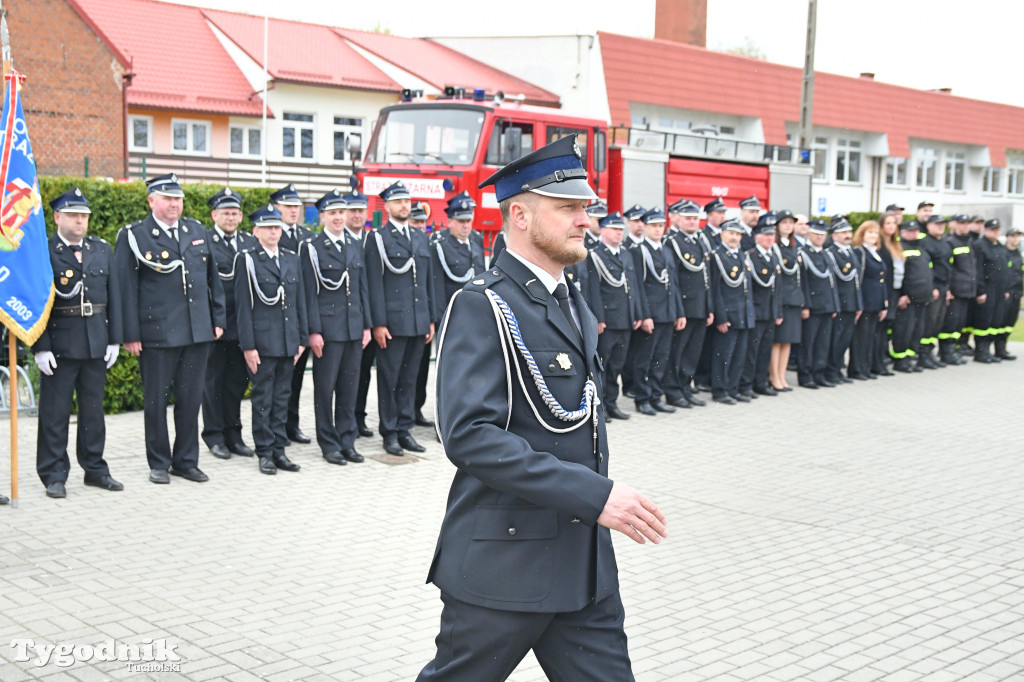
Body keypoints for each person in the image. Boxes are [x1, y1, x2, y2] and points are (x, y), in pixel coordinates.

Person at [418, 134, 667, 682]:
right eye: (569, 209)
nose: (586, 219)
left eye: (586, 207)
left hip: (582, 567)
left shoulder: (569, 298)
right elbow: (468, 435)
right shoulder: (482, 304)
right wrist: (595, 495)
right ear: (521, 216)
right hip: (505, 564)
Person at [115, 173, 226, 484]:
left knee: (190, 400)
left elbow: (211, 280)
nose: (174, 203)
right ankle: (159, 463)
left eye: (178, 198)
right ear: (152, 200)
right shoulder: (135, 236)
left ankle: (186, 461)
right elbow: (125, 289)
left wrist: (217, 320)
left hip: (196, 332)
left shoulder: (196, 230)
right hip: (158, 334)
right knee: (156, 401)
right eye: (167, 198)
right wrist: (130, 333)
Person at [33, 188, 123, 499]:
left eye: (83, 216)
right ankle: (54, 474)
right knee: (55, 414)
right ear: (57, 217)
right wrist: (40, 346)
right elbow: (38, 302)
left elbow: (115, 298)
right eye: (73, 215)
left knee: (93, 413)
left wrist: (115, 340)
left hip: (96, 342)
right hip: (59, 345)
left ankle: (95, 469)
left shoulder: (101, 249)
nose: (79, 221)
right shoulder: (44, 251)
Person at [365, 181, 436, 456]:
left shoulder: (420, 237)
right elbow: (374, 283)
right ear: (388, 206)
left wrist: (430, 318)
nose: (404, 205)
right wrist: (379, 323)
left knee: (410, 378)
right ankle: (389, 432)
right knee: (390, 378)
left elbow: (427, 281)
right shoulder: (378, 238)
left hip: (418, 322)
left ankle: (405, 429)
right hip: (393, 324)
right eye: (398, 201)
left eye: (406, 201)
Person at [236, 205, 308, 475]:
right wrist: (249, 346)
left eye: (276, 227)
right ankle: (264, 452)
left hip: (288, 342)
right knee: (263, 399)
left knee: (282, 399)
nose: (273, 232)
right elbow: (244, 307)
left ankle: (280, 451)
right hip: (263, 344)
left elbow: (298, 301)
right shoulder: (248, 260)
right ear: (256, 231)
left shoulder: (290, 258)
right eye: (267, 228)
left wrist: (301, 339)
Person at [302, 190, 372, 466]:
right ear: (323, 217)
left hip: (354, 328)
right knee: (325, 389)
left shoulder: (355, 245)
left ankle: (347, 440)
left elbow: (362, 288)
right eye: (333, 213)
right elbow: (309, 294)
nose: (339, 217)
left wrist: (366, 325)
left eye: (341, 212)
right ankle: (328, 443)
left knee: (349, 388)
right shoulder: (313, 248)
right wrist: (314, 331)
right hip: (328, 331)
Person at [201, 187, 257, 461]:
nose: (231, 217)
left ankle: (234, 435)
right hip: (217, 327)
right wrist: (214, 321)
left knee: (236, 383)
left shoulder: (248, 242)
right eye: (226, 213)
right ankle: (214, 436)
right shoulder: (205, 241)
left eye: (235, 213)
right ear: (214, 215)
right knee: (213, 383)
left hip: (242, 327)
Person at [586, 211, 648, 420]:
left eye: (621, 230)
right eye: (614, 229)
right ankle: (599, 407)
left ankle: (611, 404)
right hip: (609, 320)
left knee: (616, 366)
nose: (619, 234)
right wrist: (598, 318)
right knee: (603, 365)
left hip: (626, 319)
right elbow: (593, 289)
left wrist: (637, 313)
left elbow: (634, 288)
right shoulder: (595, 255)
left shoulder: (626, 254)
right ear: (602, 230)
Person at [272, 184, 315, 445]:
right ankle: (275, 430)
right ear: (276, 208)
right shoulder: (270, 235)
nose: (293, 210)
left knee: (296, 380)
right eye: (287, 206)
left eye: (296, 206)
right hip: (279, 321)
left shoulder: (307, 236)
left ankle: (292, 425)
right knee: (277, 383)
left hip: (302, 318)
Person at [629, 208, 684, 415]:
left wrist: (679, 312)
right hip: (651, 315)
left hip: (668, 314)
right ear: (645, 227)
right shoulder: (639, 251)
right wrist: (644, 315)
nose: (658, 230)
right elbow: (638, 287)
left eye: (661, 226)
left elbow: (674, 285)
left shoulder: (666, 251)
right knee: (645, 360)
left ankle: (655, 396)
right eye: (653, 226)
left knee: (661, 359)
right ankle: (642, 399)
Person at [662, 199, 713, 407]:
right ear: (678, 219)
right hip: (685, 307)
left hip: (700, 307)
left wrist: (709, 308)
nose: (692, 222)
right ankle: (673, 391)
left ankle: (685, 387)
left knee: (692, 353)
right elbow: (673, 281)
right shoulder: (673, 242)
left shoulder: (698, 242)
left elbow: (706, 278)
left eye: (695, 219)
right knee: (678, 352)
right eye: (688, 219)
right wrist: (679, 311)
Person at [341, 189, 377, 439]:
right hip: (345, 320)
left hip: (369, 318)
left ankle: (359, 417)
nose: (356, 215)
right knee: (343, 375)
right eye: (351, 210)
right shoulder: (339, 238)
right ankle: (343, 421)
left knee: (363, 373)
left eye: (359, 211)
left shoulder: (372, 239)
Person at [709, 219, 756, 404]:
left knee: (739, 354)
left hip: (743, 313)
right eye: (731, 233)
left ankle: (733, 388)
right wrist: (721, 317)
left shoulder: (741, 255)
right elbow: (716, 289)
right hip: (728, 314)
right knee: (724, 355)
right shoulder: (717, 256)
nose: (734, 237)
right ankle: (720, 390)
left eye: (737, 234)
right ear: (722, 234)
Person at [739, 213, 783, 397]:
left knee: (765, 350)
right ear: (757, 237)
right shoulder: (750, 257)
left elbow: (777, 288)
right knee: (752, 351)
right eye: (765, 236)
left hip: (770, 312)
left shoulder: (773, 257)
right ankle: (746, 385)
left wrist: (778, 311)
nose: (768, 239)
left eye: (771, 236)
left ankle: (761, 383)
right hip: (756, 311)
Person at [797, 220, 839, 388]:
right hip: (813, 305)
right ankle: (806, 375)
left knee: (823, 343)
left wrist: (835, 305)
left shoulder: (826, 254)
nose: (820, 237)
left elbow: (832, 282)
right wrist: (805, 305)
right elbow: (803, 282)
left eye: (822, 235)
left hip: (827, 305)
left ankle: (819, 373)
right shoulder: (802, 254)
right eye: (816, 234)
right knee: (808, 343)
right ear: (809, 234)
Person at [891, 220, 936, 372]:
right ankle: (900, 360)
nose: (913, 233)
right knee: (904, 330)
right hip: (908, 299)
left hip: (922, 298)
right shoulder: (900, 248)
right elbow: (898, 275)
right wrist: (902, 294)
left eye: (915, 231)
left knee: (916, 331)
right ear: (902, 232)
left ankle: (910, 358)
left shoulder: (921, 248)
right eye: (910, 231)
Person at [823, 218, 862, 384]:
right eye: (843, 233)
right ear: (834, 236)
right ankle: (831, 371)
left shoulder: (851, 252)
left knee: (845, 339)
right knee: (836, 340)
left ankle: (838, 369)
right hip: (840, 303)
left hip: (852, 303)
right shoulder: (831, 253)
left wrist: (859, 305)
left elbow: (856, 282)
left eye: (849, 232)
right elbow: (833, 283)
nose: (848, 236)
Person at [849, 220, 888, 379]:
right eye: (870, 233)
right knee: (860, 336)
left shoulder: (876, 252)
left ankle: (866, 367)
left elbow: (882, 278)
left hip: (876, 301)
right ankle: (856, 369)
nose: (873, 236)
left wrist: (884, 303)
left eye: (876, 233)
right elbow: (858, 278)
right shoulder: (860, 252)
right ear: (862, 234)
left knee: (870, 336)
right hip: (865, 300)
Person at [769, 209, 803, 391]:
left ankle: (782, 375)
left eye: (791, 223)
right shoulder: (775, 247)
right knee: (778, 340)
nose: (788, 226)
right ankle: (774, 376)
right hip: (781, 298)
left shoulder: (794, 246)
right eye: (785, 223)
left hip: (794, 298)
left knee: (788, 340)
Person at [409, 200, 436, 429]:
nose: (419, 226)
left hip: (423, 318)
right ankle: (406, 413)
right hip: (406, 318)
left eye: (422, 222)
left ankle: (416, 409)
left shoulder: (427, 244)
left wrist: (431, 318)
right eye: (415, 221)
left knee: (422, 369)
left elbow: (430, 284)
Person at [940, 214, 975, 364]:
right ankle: (946, 352)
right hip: (955, 290)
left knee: (959, 323)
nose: (965, 226)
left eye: (967, 224)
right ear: (956, 225)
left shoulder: (967, 242)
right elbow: (947, 269)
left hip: (966, 291)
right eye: (962, 224)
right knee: (951, 323)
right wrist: (948, 288)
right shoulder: (950, 242)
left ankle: (953, 350)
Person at [918, 215, 953, 368]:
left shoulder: (945, 243)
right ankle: (922, 355)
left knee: (938, 323)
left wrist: (948, 288)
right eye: (937, 224)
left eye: (942, 224)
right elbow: (926, 269)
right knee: (929, 322)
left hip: (944, 288)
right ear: (928, 226)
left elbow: (948, 267)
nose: (940, 227)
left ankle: (930, 353)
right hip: (934, 288)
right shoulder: (925, 242)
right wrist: (932, 287)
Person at [973, 219, 1007, 363]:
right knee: (983, 321)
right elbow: (978, 270)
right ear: (985, 230)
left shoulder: (999, 246)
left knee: (995, 320)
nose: (995, 232)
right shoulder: (980, 246)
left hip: (999, 290)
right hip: (987, 289)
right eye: (992, 229)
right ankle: (980, 352)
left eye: (997, 230)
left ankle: (988, 351)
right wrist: (980, 291)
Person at [877, 212, 901, 373]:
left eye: (894, 223)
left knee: (887, 327)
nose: (891, 226)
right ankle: (880, 361)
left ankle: (883, 358)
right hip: (885, 291)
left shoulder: (896, 243)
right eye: (888, 223)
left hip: (896, 290)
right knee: (880, 329)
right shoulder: (881, 244)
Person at [995, 225, 1022, 360]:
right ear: (1007, 237)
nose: (1016, 239)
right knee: (1001, 321)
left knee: (1010, 321)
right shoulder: (1002, 252)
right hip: (1006, 292)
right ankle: (997, 349)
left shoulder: (1018, 254)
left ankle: (1003, 348)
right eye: (1013, 236)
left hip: (1017, 292)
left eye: (1018, 236)